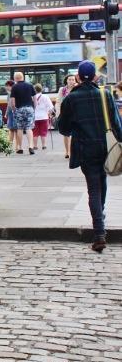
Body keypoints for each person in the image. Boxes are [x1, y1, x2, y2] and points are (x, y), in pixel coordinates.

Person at [57, 59, 122, 252]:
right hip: (105, 147)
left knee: (94, 188)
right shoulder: (105, 94)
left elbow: (64, 128)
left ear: (77, 77)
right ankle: (99, 220)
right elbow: (117, 123)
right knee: (102, 185)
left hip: (85, 149)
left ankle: (99, 233)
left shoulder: (71, 98)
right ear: (95, 76)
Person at [10, 71, 36, 155]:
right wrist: (33, 107)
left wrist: (14, 109)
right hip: (29, 108)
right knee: (29, 128)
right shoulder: (30, 85)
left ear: (15, 78)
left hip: (19, 109)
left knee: (20, 128)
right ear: (23, 77)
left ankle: (20, 148)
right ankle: (31, 146)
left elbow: (12, 101)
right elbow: (34, 98)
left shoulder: (14, 87)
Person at [56, 74, 77, 158]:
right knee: (66, 134)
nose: (71, 81)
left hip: (75, 114)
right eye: (70, 79)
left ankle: (73, 151)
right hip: (65, 114)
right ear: (66, 80)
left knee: (75, 134)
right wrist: (58, 114)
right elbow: (58, 102)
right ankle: (67, 152)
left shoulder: (77, 88)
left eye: (73, 79)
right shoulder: (62, 90)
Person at [33, 83, 54, 150]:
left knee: (35, 132)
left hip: (34, 117)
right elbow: (51, 107)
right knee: (43, 132)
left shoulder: (32, 97)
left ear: (34, 90)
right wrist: (50, 114)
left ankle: (35, 146)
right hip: (44, 117)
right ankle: (44, 145)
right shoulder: (45, 97)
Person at [4, 78, 17, 150]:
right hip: (15, 112)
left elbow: (9, 105)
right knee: (17, 130)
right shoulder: (15, 92)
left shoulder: (10, 94)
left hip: (12, 113)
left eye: (6, 86)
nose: (5, 87)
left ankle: (10, 146)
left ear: (9, 86)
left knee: (11, 130)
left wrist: (6, 113)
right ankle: (17, 146)